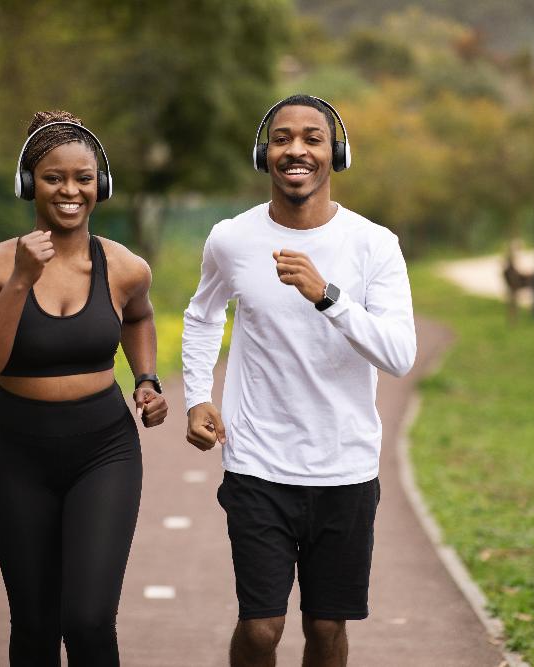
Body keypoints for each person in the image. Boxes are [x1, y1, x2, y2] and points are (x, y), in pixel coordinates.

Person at [182, 94, 416, 666]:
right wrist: (196, 396)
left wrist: (328, 297)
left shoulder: (374, 245)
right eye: (283, 137)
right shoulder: (231, 239)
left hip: (345, 466)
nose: (297, 150)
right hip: (257, 462)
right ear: (264, 152)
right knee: (261, 630)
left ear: (336, 153)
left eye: (313, 138)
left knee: (326, 628)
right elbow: (203, 313)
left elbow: (399, 354)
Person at [0, 110, 168, 665]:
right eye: (53, 177)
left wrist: (145, 377)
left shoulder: (125, 267)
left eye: (83, 178)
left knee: (90, 620)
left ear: (102, 185)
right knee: (33, 625)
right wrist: (22, 280)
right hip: (18, 453)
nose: (70, 190)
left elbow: (139, 318)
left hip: (105, 450)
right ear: (29, 184)